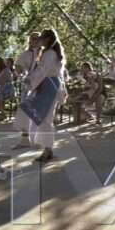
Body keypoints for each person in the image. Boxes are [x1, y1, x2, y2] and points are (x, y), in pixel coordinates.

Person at [20, 29, 66, 162]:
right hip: (48, 85)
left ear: (48, 39)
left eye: (42, 38)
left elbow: (42, 70)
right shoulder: (49, 52)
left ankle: (47, 150)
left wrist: (30, 80)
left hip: (49, 85)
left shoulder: (50, 53)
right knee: (44, 118)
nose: (40, 40)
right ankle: (47, 148)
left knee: (45, 118)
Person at [13, 32, 42, 148]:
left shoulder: (45, 53)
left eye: (37, 39)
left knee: (39, 112)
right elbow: (18, 67)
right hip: (29, 85)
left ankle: (38, 140)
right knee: (25, 112)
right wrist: (21, 73)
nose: (34, 41)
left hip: (42, 85)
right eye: (32, 39)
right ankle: (25, 139)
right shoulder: (25, 54)